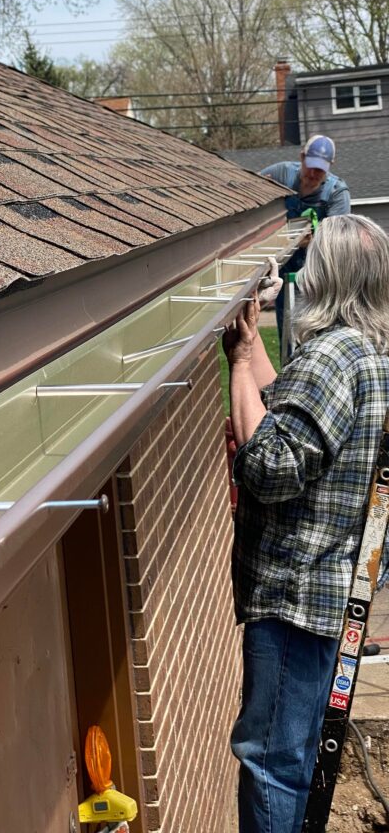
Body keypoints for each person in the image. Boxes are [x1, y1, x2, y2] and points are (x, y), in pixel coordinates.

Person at [223, 215, 389, 833]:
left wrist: (239, 363)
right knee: (290, 755)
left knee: (270, 763)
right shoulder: (370, 355)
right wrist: (255, 350)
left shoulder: (329, 357)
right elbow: (291, 412)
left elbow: (266, 466)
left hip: (294, 598)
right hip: (328, 596)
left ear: (329, 276)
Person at [259, 134, 351, 340]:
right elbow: (250, 188)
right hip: (284, 266)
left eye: (320, 169)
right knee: (288, 325)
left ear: (330, 165)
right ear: (302, 157)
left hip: (318, 269)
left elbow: (338, 241)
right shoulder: (281, 173)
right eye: (310, 165)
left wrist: (313, 241)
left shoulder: (336, 193)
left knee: (318, 326)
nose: (313, 173)